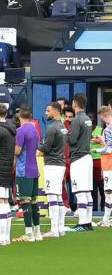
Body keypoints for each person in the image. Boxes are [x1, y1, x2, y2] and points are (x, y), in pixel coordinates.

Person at [38, 102, 68, 238]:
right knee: (58, 195)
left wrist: (35, 146)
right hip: (60, 163)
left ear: (55, 112)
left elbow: (46, 148)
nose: (46, 113)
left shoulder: (52, 128)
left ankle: (54, 229)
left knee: (51, 195)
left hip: (52, 164)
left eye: (48, 110)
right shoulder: (62, 127)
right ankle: (60, 228)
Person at [12, 106, 42, 243]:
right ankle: (37, 232)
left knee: (25, 201)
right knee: (34, 201)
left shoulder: (20, 131)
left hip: (23, 169)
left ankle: (28, 234)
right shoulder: (34, 130)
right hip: (34, 168)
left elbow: (17, 151)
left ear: (19, 117)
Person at [67, 93, 93, 232]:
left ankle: (83, 223)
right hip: (87, 156)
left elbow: (72, 140)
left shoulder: (77, 120)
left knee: (80, 191)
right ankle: (88, 222)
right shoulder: (88, 118)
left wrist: (66, 134)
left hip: (79, 158)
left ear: (75, 104)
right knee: (87, 191)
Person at [0, 103, 16, 246]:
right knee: (5, 202)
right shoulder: (11, 130)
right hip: (7, 168)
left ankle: (2, 237)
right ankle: (5, 236)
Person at [92, 106, 112, 227]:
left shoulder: (109, 128)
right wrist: (101, 140)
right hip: (108, 164)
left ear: (104, 116)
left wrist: (97, 149)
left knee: (108, 192)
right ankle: (106, 219)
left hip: (109, 164)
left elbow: (109, 149)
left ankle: (105, 219)